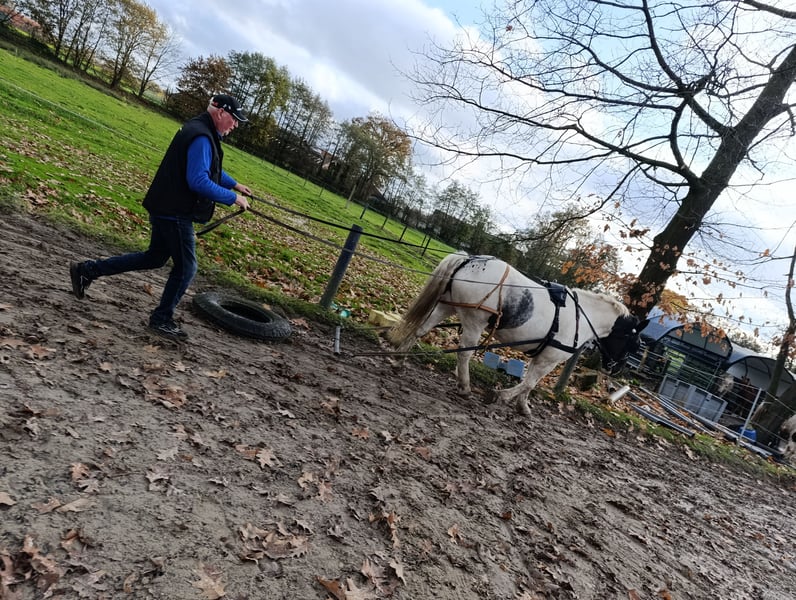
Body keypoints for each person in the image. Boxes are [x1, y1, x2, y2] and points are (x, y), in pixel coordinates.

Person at [69, 94, 252, 340]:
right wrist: (232, 198)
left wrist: (235, 185)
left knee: (154, 257)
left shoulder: (199, 128)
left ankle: (87, 270)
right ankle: (162, 319)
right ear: (221, 113)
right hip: (175, 211)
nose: (236, 125)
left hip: (165, 204)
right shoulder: (201, 136)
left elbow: (209, 167)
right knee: (187, 267)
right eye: (234, 119)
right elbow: (198, 180)